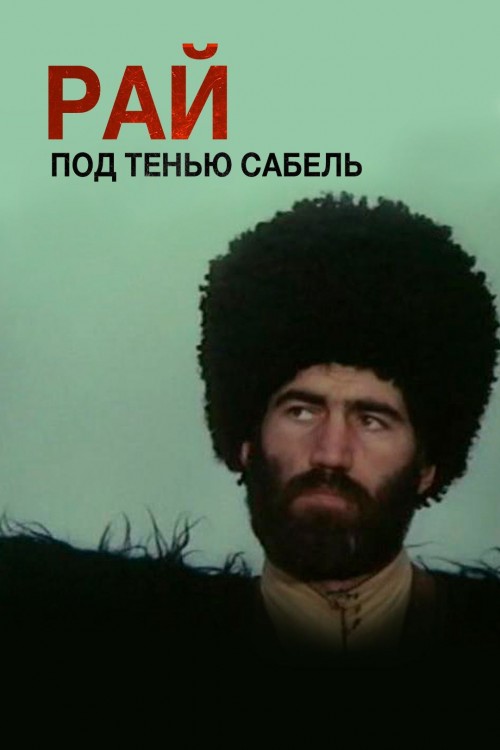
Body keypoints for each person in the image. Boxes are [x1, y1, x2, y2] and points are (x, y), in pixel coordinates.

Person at [1, 192, 499, 669]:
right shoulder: (115, 648)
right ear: (245, 441)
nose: (330, 453)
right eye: (301, 412)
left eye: (371, 421)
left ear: (428, 466)